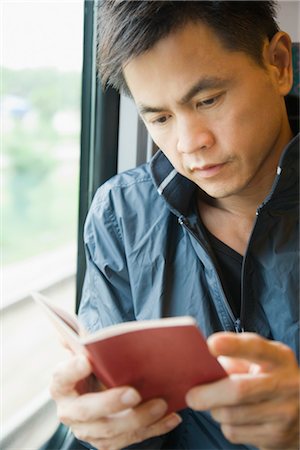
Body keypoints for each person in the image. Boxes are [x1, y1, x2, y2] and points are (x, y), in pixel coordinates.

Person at [50, 1, 299, 449]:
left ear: (278, 64)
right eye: (159, 118)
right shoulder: (120, 216)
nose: (188, 145)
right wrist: (99, 426)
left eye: (207, 100)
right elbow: (116, 401)